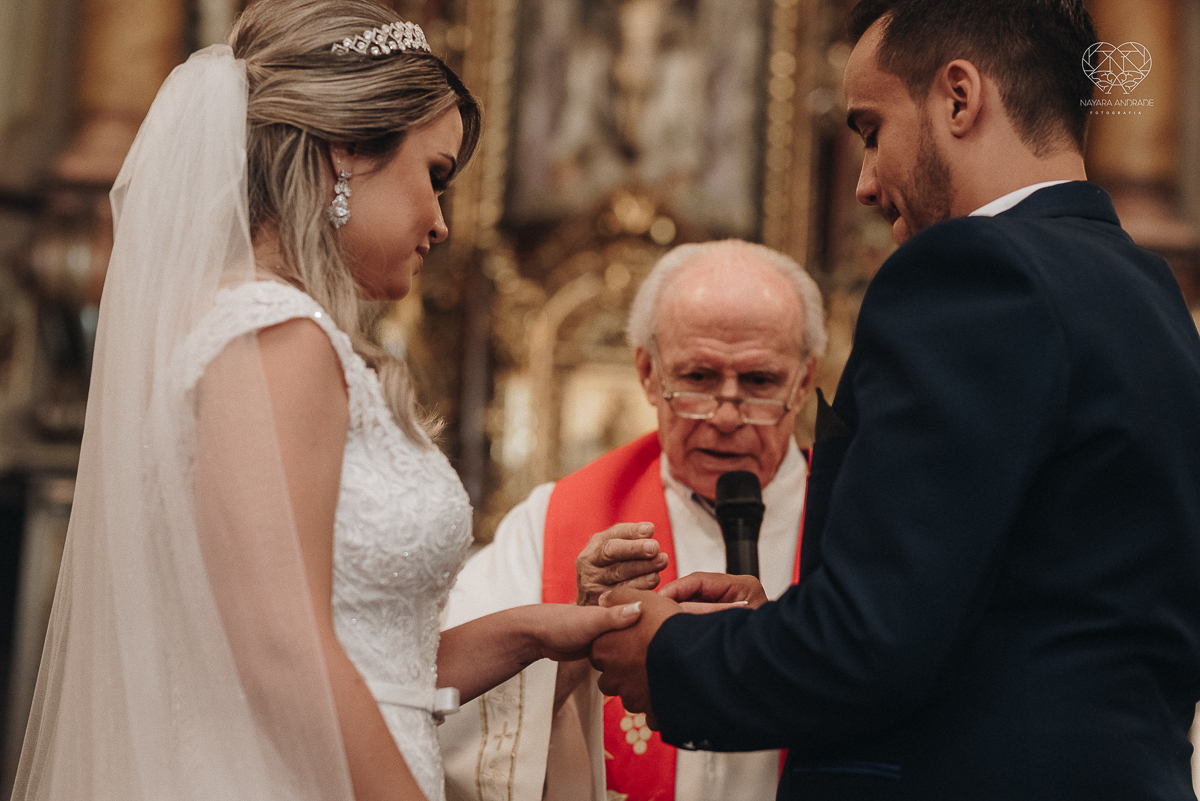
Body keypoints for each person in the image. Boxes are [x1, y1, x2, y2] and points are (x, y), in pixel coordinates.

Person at [10, 3, 643, 800]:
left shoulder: (259, 325)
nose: (440, 222)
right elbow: (282, 656)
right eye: (435, 176)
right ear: (346, 152)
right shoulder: (275, 334)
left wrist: (536, 631)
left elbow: (366, 661)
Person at [590, 0, 1200, 799]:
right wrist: (775, 623)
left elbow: (871, 644)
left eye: (871, 130)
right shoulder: (1149, 293)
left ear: (958, 97)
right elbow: (1020, 607)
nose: (866, 183)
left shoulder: (971, 274)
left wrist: (670, 655)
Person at [439, 239, 825, 801]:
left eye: (760, 382)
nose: (724, 414)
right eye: (697, 377)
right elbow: (447, 714)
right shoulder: (554, 521)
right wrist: (572, 641)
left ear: (805, 379)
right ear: (647, 372)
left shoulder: (853, 525)